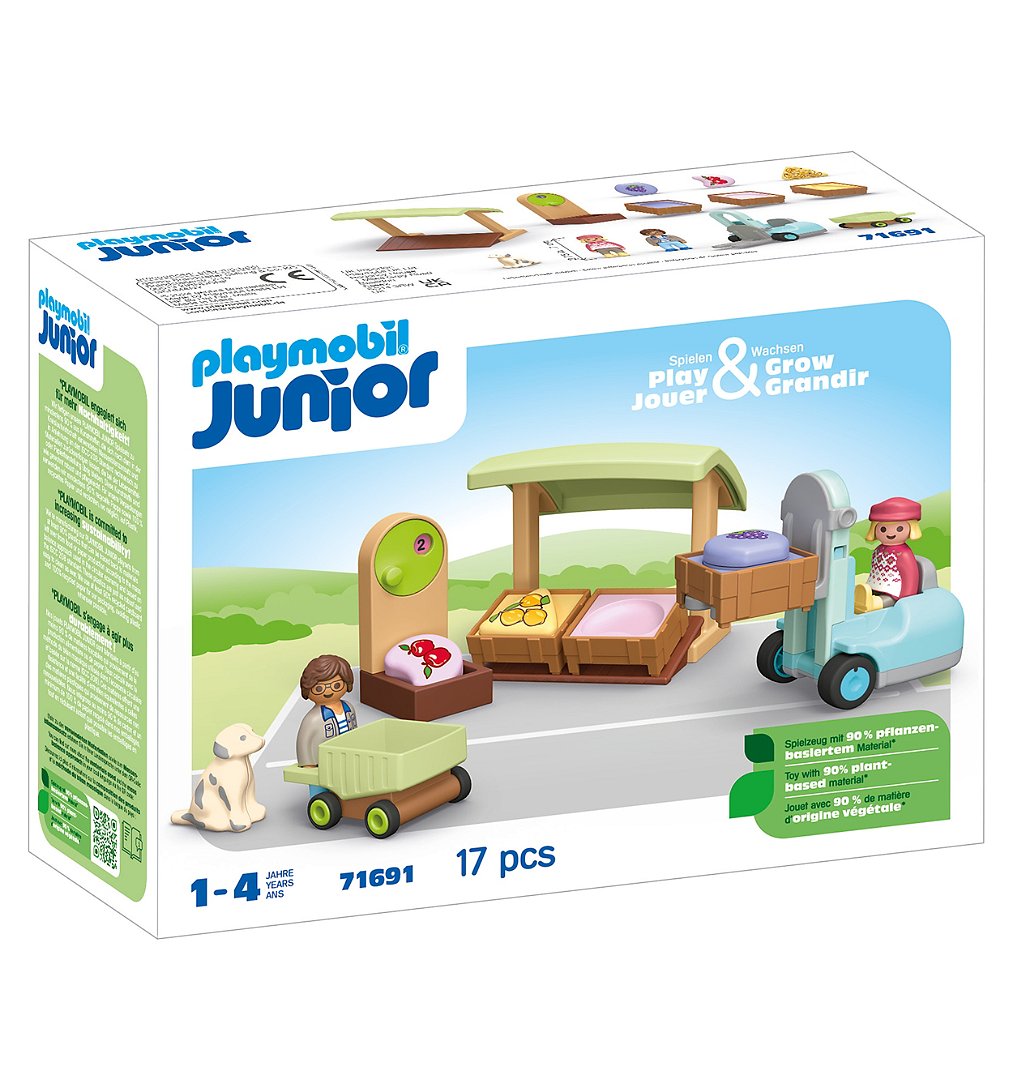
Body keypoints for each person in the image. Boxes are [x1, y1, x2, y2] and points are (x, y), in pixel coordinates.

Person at [854, 497, 922, 613]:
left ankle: (871, 604)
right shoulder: (878, 550)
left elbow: (910, 577)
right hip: (875, 587)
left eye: (899, 528)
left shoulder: (903, 554)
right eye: (883, 529)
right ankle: (862, 600)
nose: (890, 533)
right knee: (868, 595)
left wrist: (906, 599)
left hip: (894, 592)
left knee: (884, 600)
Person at [296, 654, 358, 767]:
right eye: (319, 688)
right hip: (325, 762)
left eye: (336, 685)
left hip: (349, 757)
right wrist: (308, 764)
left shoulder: (349, 708)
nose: (328, 691)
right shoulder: (313, 719)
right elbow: (304, 743)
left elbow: (355, 731)